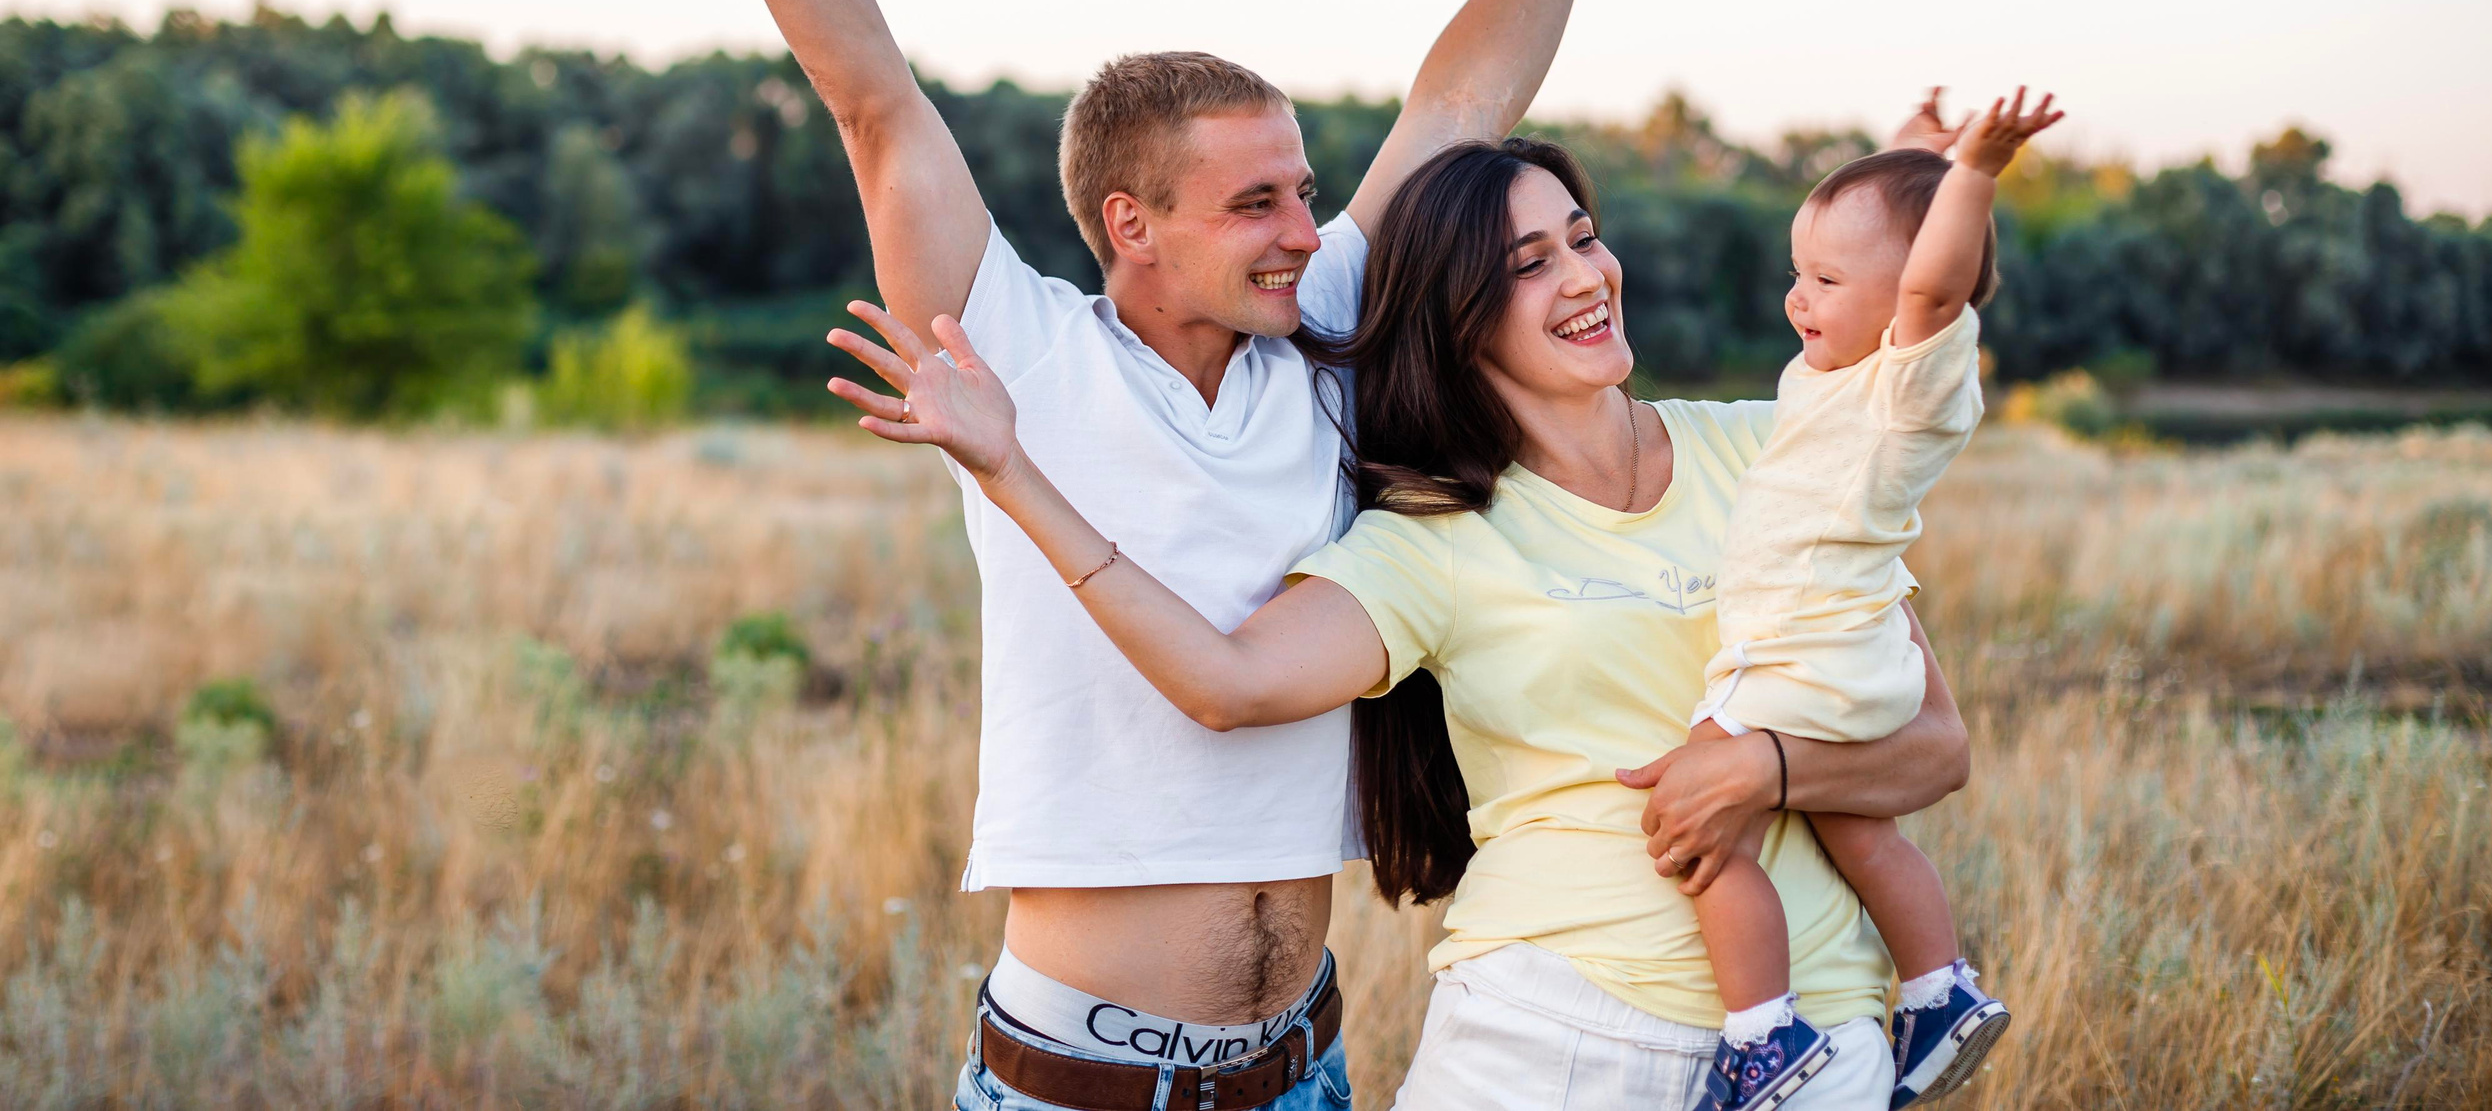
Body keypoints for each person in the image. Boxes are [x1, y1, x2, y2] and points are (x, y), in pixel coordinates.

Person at [673, 0, 1642, 1111]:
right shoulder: (1016, 349)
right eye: (1256, 202)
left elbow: (1454, 110)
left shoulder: (1317, 340)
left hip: (1302, 1066)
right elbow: (867, 90)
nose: (1307, 230)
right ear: (1132, 224)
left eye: (1305, 189)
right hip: (1078, 1084)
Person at [828, 132, 1976, 1110]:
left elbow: (1933, 745)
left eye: (1582, 236)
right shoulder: (1432, 539)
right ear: (1458, 315)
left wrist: (1763, 772)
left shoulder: (1774, 452)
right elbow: (1226, 683)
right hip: (1554, 1042)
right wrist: (1010, 470)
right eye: (1529, 264)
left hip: (1814, 1044)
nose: (1585, 275)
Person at [1674, 89, 2060, 1110]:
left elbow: (1927, 284)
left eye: (1826, 281)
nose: (1798, 300)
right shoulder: (1840, 371)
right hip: (1840, 650)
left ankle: (1763, 1037)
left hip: (1807, 657)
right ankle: (1938, 991)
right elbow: (1887, 245)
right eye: (1795, 274)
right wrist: (1909, 156)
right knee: (1861, 835)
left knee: (1699, 830)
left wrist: (1970, 172)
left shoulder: (1907, 387)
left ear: (1912, 307)